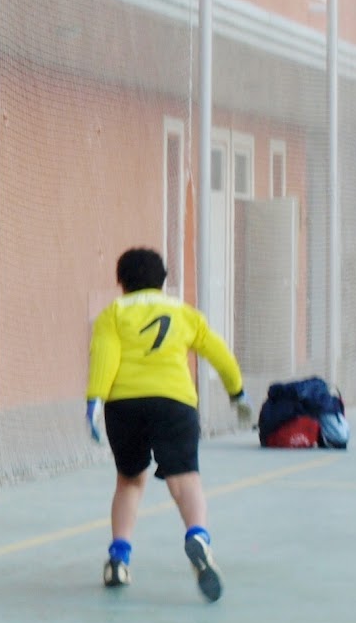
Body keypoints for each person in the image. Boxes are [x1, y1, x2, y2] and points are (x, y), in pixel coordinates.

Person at [86, 247, 251, 602]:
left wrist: (94, 400)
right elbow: (219, 353)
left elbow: (105, 356)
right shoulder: (184, 313)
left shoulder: (113, 313)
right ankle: (198, 536)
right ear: (163, 280)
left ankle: (119, 559)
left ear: (121, 282)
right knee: (184, 478)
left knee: (130, 480)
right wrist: (237, 391)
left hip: (124, 404)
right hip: (174, 401)